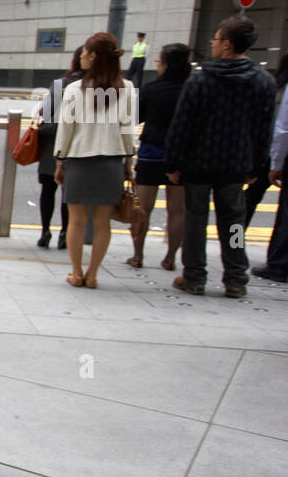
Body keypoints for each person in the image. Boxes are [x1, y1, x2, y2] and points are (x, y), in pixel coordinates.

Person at [166, 16, 277, 298]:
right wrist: (258, 165)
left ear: (227, 45)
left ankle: (194, 276)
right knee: (234, 222)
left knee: (195, 220)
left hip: (198, 163)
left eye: (215, 40)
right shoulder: (263, 82)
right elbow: (265, 129)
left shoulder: (201, 79)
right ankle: (236, 277)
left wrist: (174, 162)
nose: (213, 45)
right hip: (237, 165)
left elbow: (183, 124)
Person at [54, 32, 137, 289]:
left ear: (93, 56)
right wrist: (128, 163)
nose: (81, 56)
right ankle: (92, 274)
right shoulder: (127, 89)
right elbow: (127, 130)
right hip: (111, 161)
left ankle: (76, 272)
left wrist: (60, 161)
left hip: (79, 160)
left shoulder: (75, 90)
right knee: (102, 222)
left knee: (76, 221)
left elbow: (66, 129)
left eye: (84, 52)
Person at [128, 43, 191, 270]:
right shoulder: (191, 89)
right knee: (177, 211)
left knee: (143, 208)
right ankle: (171, 258)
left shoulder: (152, 89)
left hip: (151, 153)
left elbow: (134, 117)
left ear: (164, 64)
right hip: (183, 156)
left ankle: (138, 255)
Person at [34, 46, 84, 249]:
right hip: (78, 148)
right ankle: (65, 233)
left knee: (48, 190)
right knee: (69, 194)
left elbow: (45, 116)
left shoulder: (61, 84)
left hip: (53, 146)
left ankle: (45, 231)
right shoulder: (98, 87)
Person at [252, 87, 288, 282]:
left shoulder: (200, 81)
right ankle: (234, 269)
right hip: (246, 160)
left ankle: (234, 251)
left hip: (215, 163)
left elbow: (282, 126)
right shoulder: (260, 80)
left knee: (238, 214)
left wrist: (276, 162)